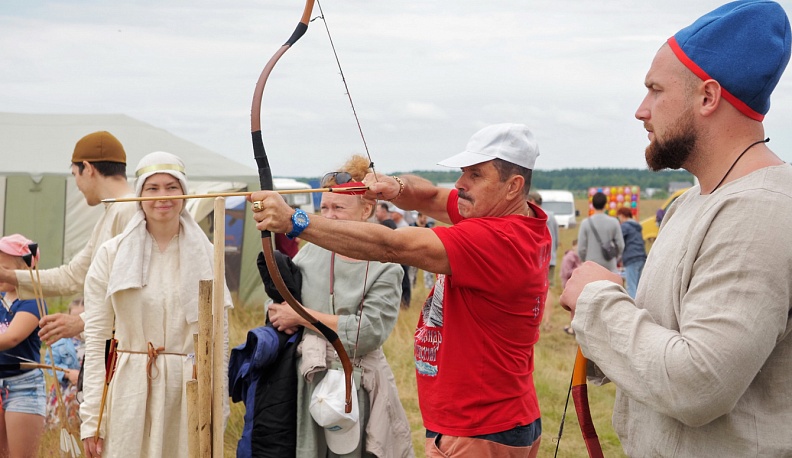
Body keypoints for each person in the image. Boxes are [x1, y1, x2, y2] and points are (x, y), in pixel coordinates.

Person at [560, 2, 792, 456]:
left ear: (707, 97)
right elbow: (668, 340)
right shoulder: (690, 202)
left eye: (655, 90)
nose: (641, 111)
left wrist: (598, 303)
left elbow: (698, 383)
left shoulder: (761, 210)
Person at [250, 123, 550, 457]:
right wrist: (396, 187)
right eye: (463, 172)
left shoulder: (498, 240)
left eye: (476, 175)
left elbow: (393, 246)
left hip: (481, 427)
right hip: (479, 421)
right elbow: (433, 196)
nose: (460, 184)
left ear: (514, 186)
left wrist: (295, 221)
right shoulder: (506, 215)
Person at [80, 151, 233, 458]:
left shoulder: (207, 256)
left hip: (186, 387)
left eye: (171, 187)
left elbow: (220, 340)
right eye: (153, 188)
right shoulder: (113, 254)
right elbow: (97, 341)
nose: (162, 196)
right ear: (139, 195)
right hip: (129, 389)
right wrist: (92, 420)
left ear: (184, 193)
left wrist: (217, 405)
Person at [265, 155, 413, 457]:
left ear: (366, 210)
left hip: (354, 384)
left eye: (339, 208)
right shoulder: (309, 255)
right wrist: (282, 313)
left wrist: (302, 317)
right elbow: (278, 307)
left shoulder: (386, 267)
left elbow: (366, 333)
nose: (328, 217)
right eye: (324, 209)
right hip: (309, 377)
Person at [0, 131, 136, 346]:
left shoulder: (128, 211)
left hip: (120, 349)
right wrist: (9, 275)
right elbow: (72, 276)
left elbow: (131, 294)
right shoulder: (113, 212)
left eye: (75, 174)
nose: (77, 185)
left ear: (88, 168)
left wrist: (81, 321)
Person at [0, 234, 47, 458]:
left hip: (24, 386)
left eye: (4, 267)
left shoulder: (33, 300)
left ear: (25, 270)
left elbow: (12, 338)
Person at [44, 297, 85, 429]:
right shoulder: (60, 341)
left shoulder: (97, 342)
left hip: (90, 389)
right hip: (66, 389)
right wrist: (67, 373)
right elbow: (49, 364)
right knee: (65, 427)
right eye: (74, 317)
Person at [528, 191, 558, 330]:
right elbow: (556, 238)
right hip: (550, 256)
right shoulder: (552, 216)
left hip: (538, 257)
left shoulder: (532, 214)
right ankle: (547, 320)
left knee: (538, 290)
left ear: (533, 201)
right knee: (549, 288)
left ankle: (539, 321)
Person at [577, 192, 624, 273]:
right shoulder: (614, 222)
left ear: (593, 204)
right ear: (605, 204)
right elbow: (620, 245)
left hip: (591, 266)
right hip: (610, 266)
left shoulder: (585, 223)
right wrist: (615, 257)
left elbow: (581, 248)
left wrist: (585, 260)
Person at [616, 207, 647, 298]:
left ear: (622, 216)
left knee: (631, 287)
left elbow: (618, 241)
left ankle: (633, 309)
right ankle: (640, 305)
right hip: (641, 257)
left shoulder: (625, 226)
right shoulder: (636, 227)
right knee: (638, 286)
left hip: (631, 258)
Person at [558, 239, 581, 336]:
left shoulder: (576, 257)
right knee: (574, 308)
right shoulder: (570, 257)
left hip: (574, 284)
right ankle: (573, 328)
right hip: (569, 285)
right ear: (574, 246)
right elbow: (566, 272)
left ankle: (575, 328)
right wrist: (580, 268)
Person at [411, 213, 436, 290]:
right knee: (412, 275)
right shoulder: (412, 227)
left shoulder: (429, 228)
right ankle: (411, 290)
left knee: (428, 274)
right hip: (413, 255)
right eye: (424, 218)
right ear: (419, 217)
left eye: (426, 218)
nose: (425, 220)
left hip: (426, 254)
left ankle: (428, 290)